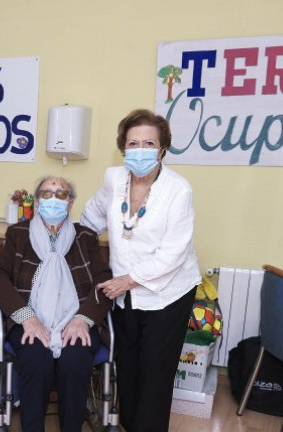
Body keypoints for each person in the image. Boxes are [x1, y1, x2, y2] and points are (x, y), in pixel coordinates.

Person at [81, 108, 201, 432]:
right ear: (123, 148)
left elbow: (173, 254)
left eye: (149, 143)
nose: (140, 150)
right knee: (128, 367)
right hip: (125, 293)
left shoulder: (178, 190)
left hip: (168, 292)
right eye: (133, 143)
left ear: (163, 149)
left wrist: (126, 281)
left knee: (155, 374)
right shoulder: (113, 177)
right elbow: (91, 217)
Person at [0, 176, 112, 432]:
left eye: (61, 194)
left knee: (75, 359)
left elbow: (104, 282)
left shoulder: (85, 238)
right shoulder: (18, 234)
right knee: (36, 358)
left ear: (71, 203)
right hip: (29, 316)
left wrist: (83, 319)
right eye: (46, 194)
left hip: (76, 318)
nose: (53, 199)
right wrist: (26, 316)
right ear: (37, 200)